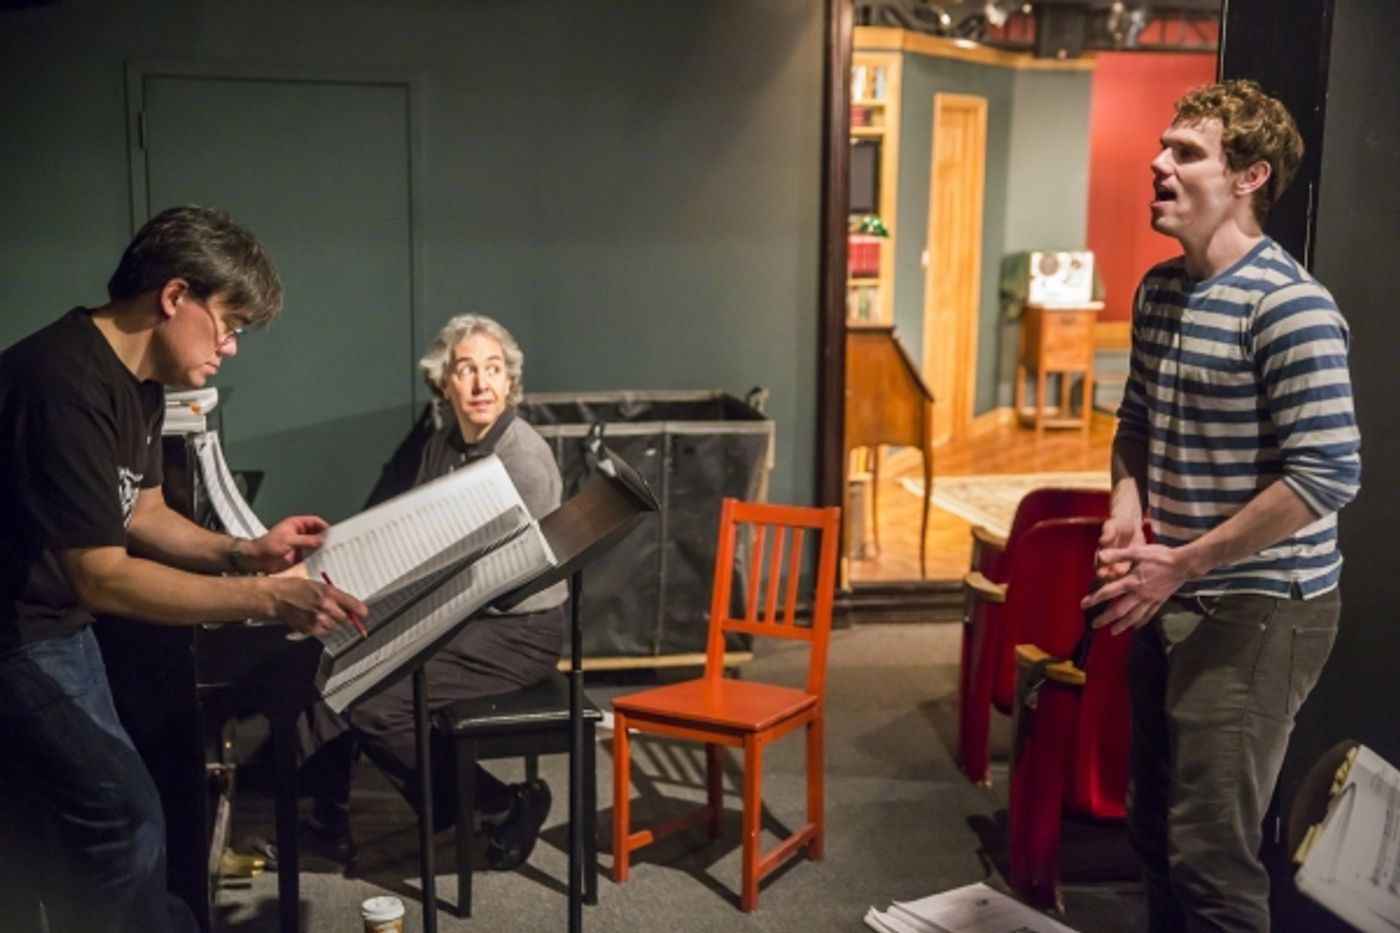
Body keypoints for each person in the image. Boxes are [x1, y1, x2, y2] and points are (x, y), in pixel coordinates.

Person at [0, 205, 369, 933]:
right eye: (228, 323)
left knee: (116, 824)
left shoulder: (138, 379)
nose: (231, 347)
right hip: (16, 638)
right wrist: (263, 597)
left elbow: (142, 513)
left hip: (56, 627)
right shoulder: (62, 385)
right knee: (125, 819)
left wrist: (245, 551)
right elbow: (102, 575)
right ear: (174, 296)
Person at [1084, 80, 1361, 932]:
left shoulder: (1291, 306)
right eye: (1164, 147)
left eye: (1186, 152)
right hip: (1176, 589)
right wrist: (1128, 509)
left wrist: (1187, 558)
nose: (1158, 164)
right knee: (1155, 829)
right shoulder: (1161, 291)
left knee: (1211, 856)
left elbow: (1327, 475)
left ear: (1250, 177)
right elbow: (1134, 423)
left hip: (1261, 607)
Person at [302, 313, 567, 872]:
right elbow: (419, 535)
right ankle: (327, 821)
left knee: (373, 702)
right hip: (461, 606)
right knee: (332, 661)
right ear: (444, 384)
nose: (481, 384)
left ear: (509, 382)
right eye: (466, 370)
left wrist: (396, 621)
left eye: (493, 370)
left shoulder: (524, 461)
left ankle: (501, 804)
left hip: (516, 626)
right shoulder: (443, 443)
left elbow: (497, 579)